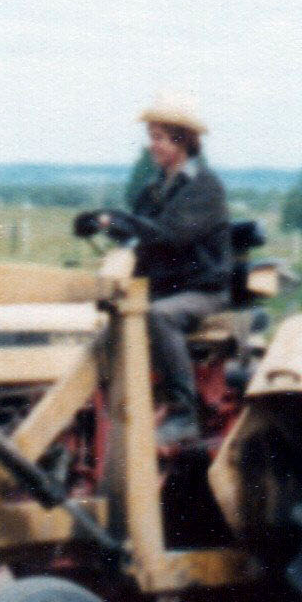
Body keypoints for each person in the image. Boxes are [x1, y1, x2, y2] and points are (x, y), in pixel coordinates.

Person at [74, 94, 231, 441]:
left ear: (182, 141)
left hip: (201, 290)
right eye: (152, 137)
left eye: (160, 138)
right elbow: (138, 234)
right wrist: (103, 224)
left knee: (161, 316)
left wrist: (121, 220)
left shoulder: (205, 188)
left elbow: (169, 236)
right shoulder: (153, 190)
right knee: (100, 312)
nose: (153, 146)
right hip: (164, 285)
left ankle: (183, 411)